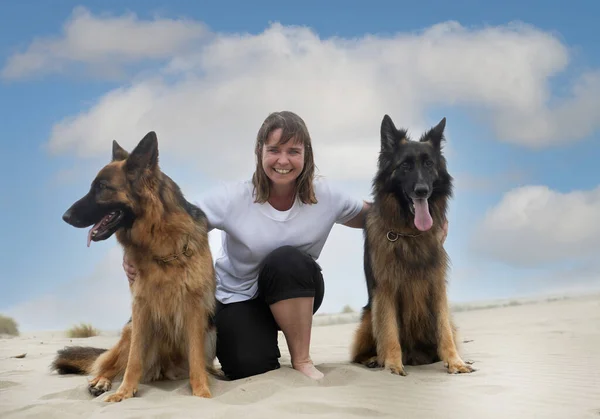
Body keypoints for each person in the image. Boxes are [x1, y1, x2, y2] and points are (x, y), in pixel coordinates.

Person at [122, 110, 448, 381]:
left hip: (296, 290)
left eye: (293, 151)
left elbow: (377, 216)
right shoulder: (233, 197)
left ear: (306, 156)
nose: (283, 160)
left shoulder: (327, 196)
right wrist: (137, 255)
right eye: (274, 150)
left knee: (287, 259)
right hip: (238, 299)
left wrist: (428, 225)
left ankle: (302, 359)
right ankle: (262, 343)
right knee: (248, 367)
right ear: (260, 153)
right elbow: (177, 224)